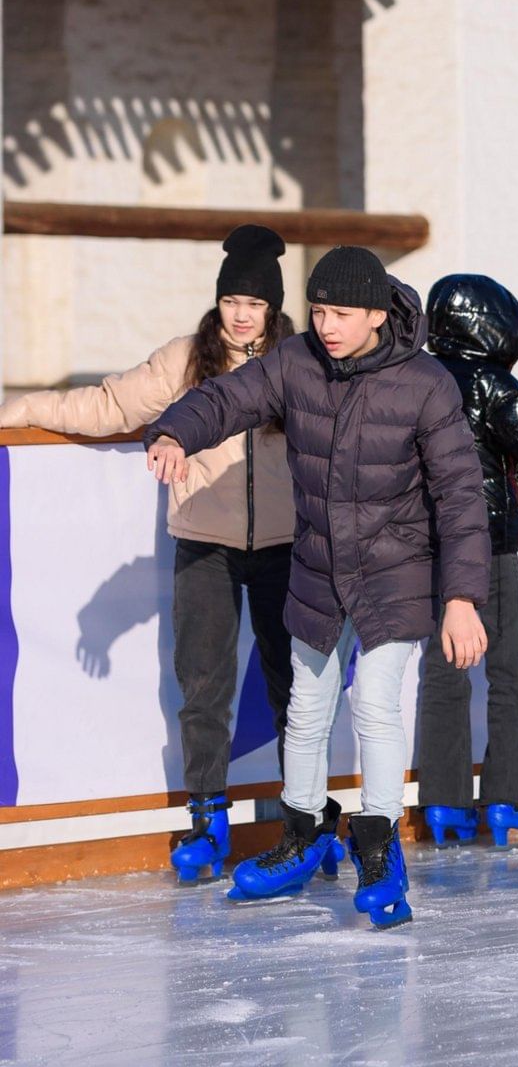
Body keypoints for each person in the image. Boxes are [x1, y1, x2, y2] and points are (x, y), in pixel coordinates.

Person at [147, 247, 491, 929]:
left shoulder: (424, 382)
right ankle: (303, 834)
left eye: (340, 313)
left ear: (374, 314)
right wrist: (175, 430)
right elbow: (228, 397)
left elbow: (459, 495)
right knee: (306, 708)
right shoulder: (297, 361)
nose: (326, 324)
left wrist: (460, 597)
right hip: (318, 566)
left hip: (395, 572)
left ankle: (379, 845)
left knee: (376, 710)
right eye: (319, 311)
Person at [0, 226, 296, 885]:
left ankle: (300, 818)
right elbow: (110, 404)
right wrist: (21, 409)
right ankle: (206, 817)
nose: (242, 313)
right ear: (218, 302)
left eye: (254, 302)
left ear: (272, 308)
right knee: (204, 684)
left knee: (294, 685)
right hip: (205, 544)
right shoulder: (186, 359)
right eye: (232, 300)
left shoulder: (295, 361)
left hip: (283, 547)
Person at [415, 275, 518, 849]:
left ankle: (444, 803)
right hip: (488, 545)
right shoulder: (492, 383)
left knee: (443, 674)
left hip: (434, 543)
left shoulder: (419, 376)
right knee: (506, 672)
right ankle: (509, 798)